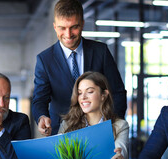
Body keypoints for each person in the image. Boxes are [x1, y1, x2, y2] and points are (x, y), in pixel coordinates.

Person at [32, 0, 127, 136]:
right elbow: (40, 98)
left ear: (82, 23)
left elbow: (117, 92)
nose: (68, 34)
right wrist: (42, 116)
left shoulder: (101, 51)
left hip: (99, 130)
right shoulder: (45, 59)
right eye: (62, 28)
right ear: (54, 27)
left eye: (74, 27)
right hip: (62, 132)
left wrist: (114, 125)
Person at [59, 71, 129, 159]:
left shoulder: (120, 126)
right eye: (79, 93)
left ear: (103, 95)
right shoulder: (67, 124)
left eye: (90, 91)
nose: (83, 97)